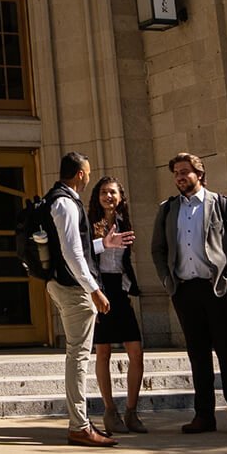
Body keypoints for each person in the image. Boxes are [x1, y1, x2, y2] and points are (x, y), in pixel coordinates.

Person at [149, 152, 227, 436]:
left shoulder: (222, 204)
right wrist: (167, 279)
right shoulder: (168, 209)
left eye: (185, 172)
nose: (180, 177)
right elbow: (157, 249)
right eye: (176, 173)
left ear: (199, 174)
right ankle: (204, 415)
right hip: (185, 290)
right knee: (197, 355)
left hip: (218, 289)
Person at [44, 152, 118, 447]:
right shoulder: (65, 202)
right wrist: (94, 289)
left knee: (77, 355)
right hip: (73, 287)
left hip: (62, 283)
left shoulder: (58, 199)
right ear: (80, 174)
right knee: (78, 356)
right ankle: (79, 425)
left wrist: (101, 243)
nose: (88, 177)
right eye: (87, 173)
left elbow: (77, 247)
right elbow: (71, 253)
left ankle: (81, 421)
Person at [86, 176, 146, 434]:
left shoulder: (124, 223)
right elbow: (82, 253)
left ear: (120, 197)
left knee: (136, 351)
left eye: (112, 192)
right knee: (103, 351)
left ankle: (132, 411)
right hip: (100, 289)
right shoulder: (90, 224)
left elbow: (126, 260)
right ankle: (110, 411)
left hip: (120, 290)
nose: (108, 196)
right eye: (103, 192)